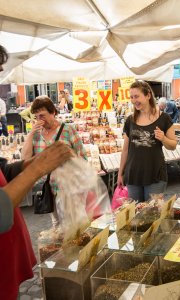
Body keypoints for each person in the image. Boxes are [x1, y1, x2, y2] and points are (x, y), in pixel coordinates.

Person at [0, 43, 73, 300]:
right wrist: (39, 165)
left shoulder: (68, 129)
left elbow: (5, 170)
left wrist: (30, 165)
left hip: (8, 271)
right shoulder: (36, 133)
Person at [21, 95, 86, 226]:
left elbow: (82, 159)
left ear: (53, 112)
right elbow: (25, 159)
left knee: (74, 226)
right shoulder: (36, 134)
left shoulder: (68, 130)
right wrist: (31, 134)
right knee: (56, 225)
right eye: (36, 116)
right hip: (48, 188)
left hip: (68, 188)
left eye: (42, 115)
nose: (40, 119)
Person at [117, 80, 177, 202]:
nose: (134, 100)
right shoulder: (130, 120)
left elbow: (173, 145)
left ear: (148, 95)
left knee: (152, 214)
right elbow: (125, 150)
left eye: (137, 96)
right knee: (135, 216)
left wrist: (163, 138)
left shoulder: (164, 118)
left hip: (155, 175)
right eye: (132, 97)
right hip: (133, 175)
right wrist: (120, 173)